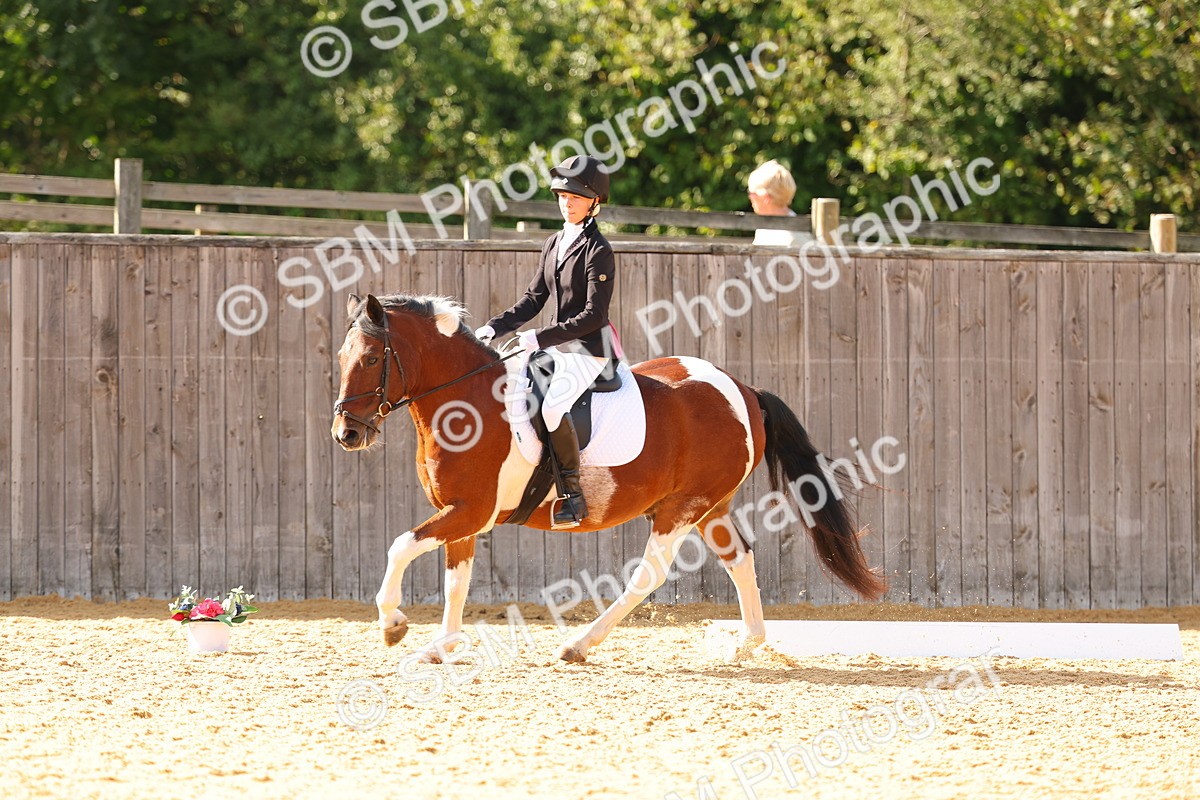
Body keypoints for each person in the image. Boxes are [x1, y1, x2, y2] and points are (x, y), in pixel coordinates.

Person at [474, 154, 617, 528]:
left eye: (575, 197)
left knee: (552, 407)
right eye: (562, 196)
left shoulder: (598, 250)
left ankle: (572, 495)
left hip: (587, 349)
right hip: (555, 347)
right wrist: (494, 327)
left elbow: (594, 316)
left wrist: (539, 336)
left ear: (594, 203)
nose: (566, 203)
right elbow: (533, 300)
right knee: (509, 385)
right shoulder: (553, 242)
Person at [747, 159, 813, 247]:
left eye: (753, 193)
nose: (750, 197)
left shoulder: (791, 238)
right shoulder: (766, 226)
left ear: (766, 197)